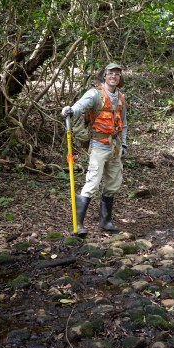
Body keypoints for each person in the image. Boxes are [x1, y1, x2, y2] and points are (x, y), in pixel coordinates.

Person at [61, 62, 127, 235]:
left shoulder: (121, 97)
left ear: (120, 78)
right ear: (104, 75)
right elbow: (80, 106)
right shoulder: (94, 94)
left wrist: (124, 143)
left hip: (116, 145)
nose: (113, 76)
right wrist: (70, 110)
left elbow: (124, 124)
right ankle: (79, 226)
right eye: (110, 73)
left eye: (117, 74)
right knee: (92, 183)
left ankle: (105, 222)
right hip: (98, 145)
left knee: (112, 184)